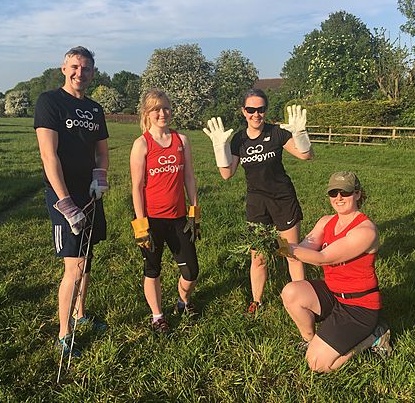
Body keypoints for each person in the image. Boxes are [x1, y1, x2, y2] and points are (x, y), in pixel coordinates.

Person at [203, 88, 313, 316]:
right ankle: (257, 302)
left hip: (283, 200)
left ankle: (304, 300)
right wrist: (219, 147)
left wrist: (300, 135)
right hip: (257, 204)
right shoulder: (239, 139)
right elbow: (226, 174)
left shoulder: (276, 132)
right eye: (251, 109)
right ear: (244, 111)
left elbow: (306, 156)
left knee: (291, 253)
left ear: (265, 110)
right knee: (258, 257)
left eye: (260, 109)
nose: (256, 114)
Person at [34, 46, 109, 357]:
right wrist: (65, 202)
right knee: (74, 268)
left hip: (90, 194)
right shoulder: (50, 102)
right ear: (64, 69)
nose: (81, 73)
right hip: (64, 198)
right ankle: (64, 334)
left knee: (86, 260)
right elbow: (48, 154)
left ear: (92, 73)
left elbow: (102, 151)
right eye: (75, 67)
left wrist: (100, 177)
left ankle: (81, 313)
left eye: (87, 68)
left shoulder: (95, 109)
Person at [278, 171, 391, 373]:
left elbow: (324, 258)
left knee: (318, 365)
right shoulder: (325, 222)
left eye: (345, 193)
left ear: (357, 194)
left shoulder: (365, 231)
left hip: (359, 307)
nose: (338, 198)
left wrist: (285, 247)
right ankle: (310, 341)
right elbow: (304, 248)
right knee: (291, 292)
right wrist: (280, 244)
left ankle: (374, 335)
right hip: (333, 294)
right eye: (333, 193)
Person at [130, 89, 201, 334]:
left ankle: (183, 302)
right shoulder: (142, 144)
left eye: (166, 108)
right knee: (153, 269)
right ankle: (157, 316)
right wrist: (141, 226)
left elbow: (189, 177)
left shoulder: (181, 140)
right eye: (156, 109)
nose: (162, 114)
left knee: (191, 270)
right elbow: (137, 187)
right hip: (152, 220)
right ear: (147, 114)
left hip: (179, 217)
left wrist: (194, 210)